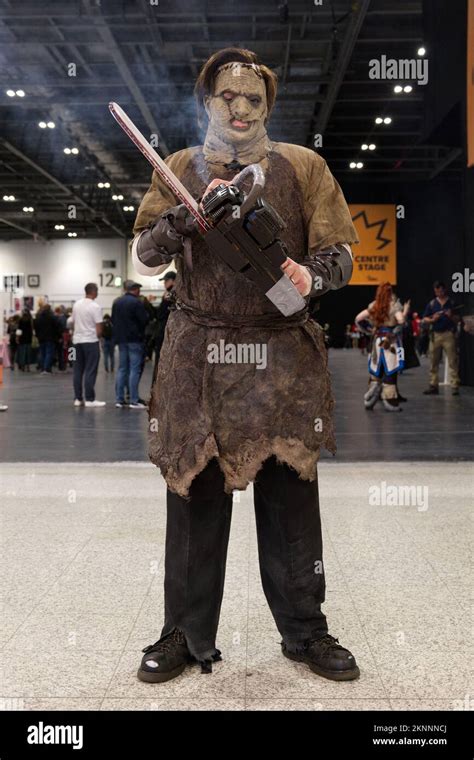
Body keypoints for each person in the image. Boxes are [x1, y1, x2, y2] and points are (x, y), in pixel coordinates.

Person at [130, 47, 359, 683]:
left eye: (253, 100)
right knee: (194, 495)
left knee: (291, 499)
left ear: (268, 107)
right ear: (207, 102)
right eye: (227, 98)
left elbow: (341, 254)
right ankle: (182, 632)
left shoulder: (304, 166)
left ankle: (306, 632)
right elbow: (144, 255)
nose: (240, 108)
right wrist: (177, 223)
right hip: (198, 357)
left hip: (281, 357)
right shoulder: (177, 168)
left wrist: (308, 274)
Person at [355, 283, 406, 412]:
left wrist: (369, 330)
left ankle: (370, 400)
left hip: (377, 342)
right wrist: (393, 333)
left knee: (376, 370)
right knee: (390, 371)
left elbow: (358, 319)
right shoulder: (394, 306)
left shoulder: (374, 306)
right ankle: (389, 401)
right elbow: (401, 322)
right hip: (390, 343)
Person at [112, 280, 149, 409]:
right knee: (135, 369)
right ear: (134, 289)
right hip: (135, 340)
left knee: (122, 369)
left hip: (121, 340)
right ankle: (134, 400)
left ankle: (119, 399)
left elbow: (113, 320)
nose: (139, 291)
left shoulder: (116, 302)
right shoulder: (137, 302)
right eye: (138, 288)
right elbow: (144, 320)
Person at [70, 283, 105, 407]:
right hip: (91, 342)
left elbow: (71, 322)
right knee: (91, 370)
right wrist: (100, 338)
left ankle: (78, 399)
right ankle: (90, 399)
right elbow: (99, 328)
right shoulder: (95, 307)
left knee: (77, 371)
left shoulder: (76, 305)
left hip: (75, 343)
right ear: (94, 292)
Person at [422, 281, 460, 396]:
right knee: (433, 361)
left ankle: (455, 386)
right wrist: (432, 319)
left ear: (445, 289)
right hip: (436, 335)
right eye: (436, 291)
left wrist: (451, 316)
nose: (439, 293)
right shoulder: (432, 304)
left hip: (448, 334)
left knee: (453, 360)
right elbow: (425, 318)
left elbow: (458, 319)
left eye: (441, 291)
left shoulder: (452, 302)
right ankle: (433, 385)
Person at [152, 271, 176, 383]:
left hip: (164, 332)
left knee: (160, 361)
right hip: (169, 332)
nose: (164, 283)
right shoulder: (174, 293)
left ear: (173, 281)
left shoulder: (170, 294)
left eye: (166, 281)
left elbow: (160, 314)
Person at [34, 304, 60, 374]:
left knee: (42, 353)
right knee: (49, 353)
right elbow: (57, 327)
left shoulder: (38, 318)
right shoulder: (52, 317)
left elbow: (35, 328)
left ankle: (42, 368)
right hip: (50, 338)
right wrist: (58, 336)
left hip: (41, 338)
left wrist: (37, 335)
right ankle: (47, 368)